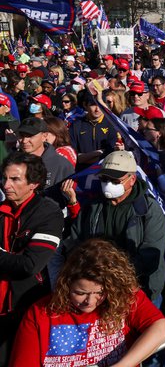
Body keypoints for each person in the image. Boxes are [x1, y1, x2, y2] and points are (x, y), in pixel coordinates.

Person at [10, 238, 165, 367]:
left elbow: (161, 329)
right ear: (66, 285)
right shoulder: (40, 313)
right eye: (80, 293)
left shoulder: (122, 296)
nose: (90, 301)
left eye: (100, 293)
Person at [58, 150, 165, 303]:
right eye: (104, 179)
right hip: (96, 289)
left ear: (132, 179)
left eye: (115, 180)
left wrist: (111, 274)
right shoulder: (93, 205)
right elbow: (76, 241)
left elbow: (150, 256)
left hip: (138, 290)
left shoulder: (148, 210)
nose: (108, 184)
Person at [0, 152, 64, 363]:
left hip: (27, 308)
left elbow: (30, 264)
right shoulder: (2, 210)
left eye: (15, 179)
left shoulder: (48, 213)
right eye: (4, 178)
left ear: (33, 184)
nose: (6, 184)